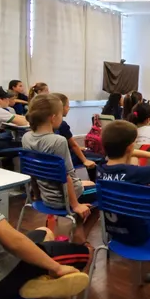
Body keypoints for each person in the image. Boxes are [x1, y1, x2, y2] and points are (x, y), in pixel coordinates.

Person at [0, 117, 91, 299]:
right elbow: (13, 242)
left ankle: (36, 281)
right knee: (84, 252)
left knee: (45, 232)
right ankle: (32, 282)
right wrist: (57, 268)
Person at [21, 94, 98, 244]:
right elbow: (67, 176)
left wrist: (37, 195)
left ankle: (77, 225)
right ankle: (80, 236)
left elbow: (33, 172)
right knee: (102, 193)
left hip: (45, 196)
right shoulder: (58, 141)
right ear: (53, 117)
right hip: (63, 198)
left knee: (90, 185)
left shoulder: (26, 137)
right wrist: (75, 205)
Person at [52, 93, 104, 181]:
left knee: (87, 151)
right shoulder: (62, 125)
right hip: (69, 158)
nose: (69, 108)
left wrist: (79, 148)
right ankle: (95, 183)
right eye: (68, 106)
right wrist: (84, 160)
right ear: (61, 108)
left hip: (59, 157)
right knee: (100, 158)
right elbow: (73, 145)